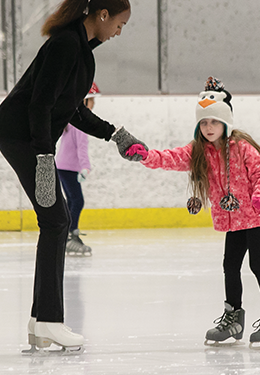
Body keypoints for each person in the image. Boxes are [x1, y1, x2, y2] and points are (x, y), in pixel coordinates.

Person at [0, 0, 147, 353]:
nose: (119, 32)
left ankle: (40, 323)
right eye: (119, 24)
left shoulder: (82, 53)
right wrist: (44, 158)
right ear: (102, 15)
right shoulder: (66, 44)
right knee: (56, 221)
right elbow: (40, 104)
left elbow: (72, 111)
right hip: (20, 134)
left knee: (55, 221)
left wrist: (115, 134)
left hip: (25, 137)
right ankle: (49, 321)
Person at [126, 77, 260, 348]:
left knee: (258, 264)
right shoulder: (199, 152)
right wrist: (145, 155)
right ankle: (234, 318)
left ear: (226, 122)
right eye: (203, 123)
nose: (209, 127)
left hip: (257, 216)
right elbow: (170, 158)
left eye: (214, 122)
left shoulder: (241, 148)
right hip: (234, 221)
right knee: (230, 266)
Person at [56, 82, 101, 257]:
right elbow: (81, 148)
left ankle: (67, 235)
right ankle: (70, 236)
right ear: (83, 101)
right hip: (68, 168)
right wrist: (85, 168)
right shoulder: (81, 123)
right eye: (91, 101)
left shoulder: (72, 120)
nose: (94, 105)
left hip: (64, 167)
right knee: (77, 201)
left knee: (72, 201)